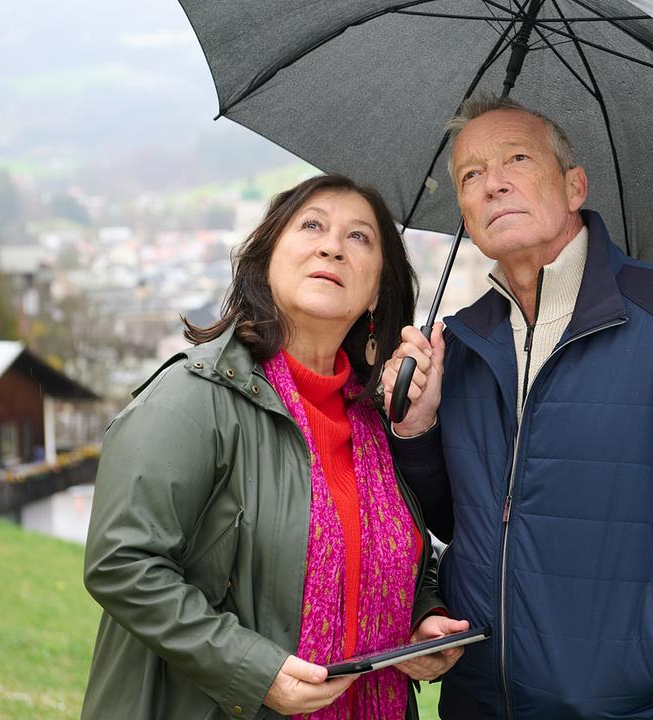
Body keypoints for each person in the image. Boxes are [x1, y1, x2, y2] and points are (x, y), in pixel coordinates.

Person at [382, 95, 653, 719]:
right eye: (470, 175)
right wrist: (417, 430)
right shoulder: (460, 345)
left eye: (517, 159)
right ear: (464, 214)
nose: (493, 184)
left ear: (575, 186)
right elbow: (460, 522)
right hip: (478, 705)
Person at [81, 174, 468, 720]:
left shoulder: (375, 420)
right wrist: (253, 671)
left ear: (377, 291)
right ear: (266, 259)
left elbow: (398, 555)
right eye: (312, 226)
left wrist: (420, 618)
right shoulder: (195, 396)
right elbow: (121, 562)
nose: (332, 247)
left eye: (359, 237)